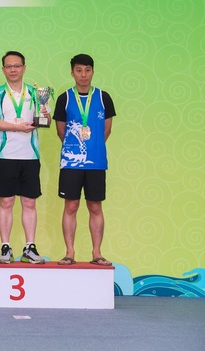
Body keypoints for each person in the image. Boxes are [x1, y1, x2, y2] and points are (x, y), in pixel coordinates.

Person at [0, 51, 50, 264]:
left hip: (30, 155)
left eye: (17, 66)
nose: (13, 69)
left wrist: (45, 115)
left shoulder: (36, 93)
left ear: (24, 68)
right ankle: (6, 247)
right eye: (9, 66)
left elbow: (45, 121)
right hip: (6, 155)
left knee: (29, 202)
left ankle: (30, 247)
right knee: (6, 201)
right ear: (3, 69)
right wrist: (16, 127)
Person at [53, 54, 116, 266]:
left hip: (96, 162)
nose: (83, 75)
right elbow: (61, 131)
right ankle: (69, 252)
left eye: (87, 70)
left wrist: (91, 148)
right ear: (72, 72)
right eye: (79, 70)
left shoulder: (103, 97)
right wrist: (75, 150)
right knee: (71, 206)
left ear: (93, 72)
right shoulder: (64, 98)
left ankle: (97, 252)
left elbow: (107, 130)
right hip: (70, 164)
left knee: (95, 207)